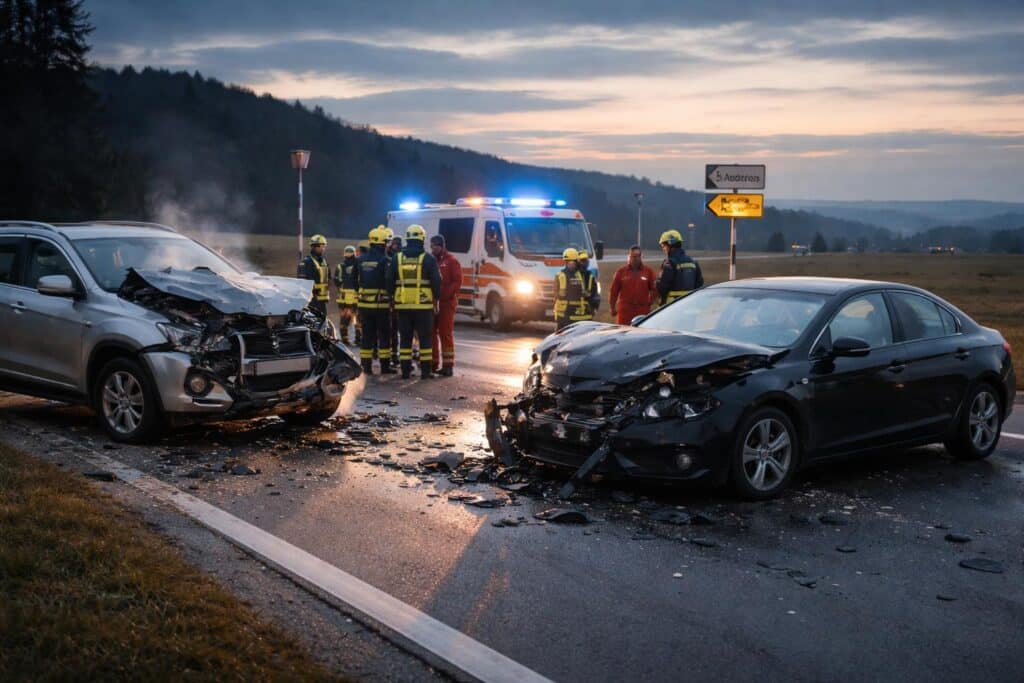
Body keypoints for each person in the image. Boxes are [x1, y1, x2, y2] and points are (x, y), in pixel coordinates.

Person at [387, 224, 441, 379]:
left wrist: (391, 298)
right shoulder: (428, 258)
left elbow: (389, 280)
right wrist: (436, 299)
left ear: (407, 239)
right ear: (422, 239)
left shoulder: (397, 258)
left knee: (405, 339)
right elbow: (436, 282)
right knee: (425, 339)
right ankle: (425, 372)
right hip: (423, 306)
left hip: (403, 305)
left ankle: (405, 371)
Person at [356, 227, 395, 375]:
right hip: (381, 305)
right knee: (384, 335)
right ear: (381, 243)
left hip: (364, 306)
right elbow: (389, 281)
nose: (387, 245)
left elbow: (354, 281)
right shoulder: (386, 260)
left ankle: (366, 367)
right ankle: (384, 367)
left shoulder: (360, 260)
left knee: (367, 336)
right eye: (386, 242)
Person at [430, 234, 462, 377]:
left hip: (446, 303)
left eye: (435, 245)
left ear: (442, 246)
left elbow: (457, 281)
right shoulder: (430, 260)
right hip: (432, 303)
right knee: (430, 333)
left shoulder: (451, 261)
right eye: (432, 245)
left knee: (445, 333)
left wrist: (445, 295)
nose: (433, 248)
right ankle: (433, 363)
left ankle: (448, 365)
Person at [610, 245, 657, 325]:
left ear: (641, 256)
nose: (636, 258)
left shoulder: (648, 272)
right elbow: (613, 291)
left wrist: (650, 301)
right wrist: (612, 307)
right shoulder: (621, 272)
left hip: (642, 310)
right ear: (629, 256)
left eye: (638, 256)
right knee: (623, 334)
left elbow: (655, 289)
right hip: (625, 311)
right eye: (633, 256)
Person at [656, 229, 703, 306]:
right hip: (690, 304)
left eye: (663, 245)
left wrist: (657, 283)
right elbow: (699, 284)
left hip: (671, 307)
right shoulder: (693, 262)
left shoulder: (669, 263)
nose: (663, 249)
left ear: (670, 245)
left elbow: (662, 287)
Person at [553, 247, 589, 331]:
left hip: (576, 313)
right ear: (566, 262)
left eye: (574, 262)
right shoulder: (560, 275)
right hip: (564, 314)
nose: (573, 264)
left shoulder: (579, 275)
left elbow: (582, 292)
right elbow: (556, 294)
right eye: (570, 262)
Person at [333, 245, 360, 345]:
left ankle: (345, 340)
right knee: (358, 319)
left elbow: (337, 282)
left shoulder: (340, 266)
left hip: (343, 298)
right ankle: (358, 340)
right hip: (356, 297)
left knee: (344, 320)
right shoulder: (358, 265)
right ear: (355, 254)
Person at [297, 234, 330, 316]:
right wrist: (312, 292)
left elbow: (328, 278)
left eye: (324, 246)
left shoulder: (323, 261)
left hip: (322, 300)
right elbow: (303, 282)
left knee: (322, 321)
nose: (323, 249)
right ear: (314, 247)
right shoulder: (307, 262)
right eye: (321, 246)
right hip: (312, 300)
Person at [385, 228, 402, 362]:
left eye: (398, 245)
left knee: (396, 329)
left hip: (399, 300)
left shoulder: (401, 259)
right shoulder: (387, 258)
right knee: (389, 329)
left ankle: (395, 355)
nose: (395, 247)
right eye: (394, 244)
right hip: (390, 300)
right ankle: (390, 354)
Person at [577, 250, 600, 317]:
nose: (585, 263)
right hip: (575, 310)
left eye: (586, 260)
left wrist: (594, 306)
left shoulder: (590, 275)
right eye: (582, 260)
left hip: (587, 311)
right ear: (578, 261)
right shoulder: (573, 275)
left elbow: (595, 292)